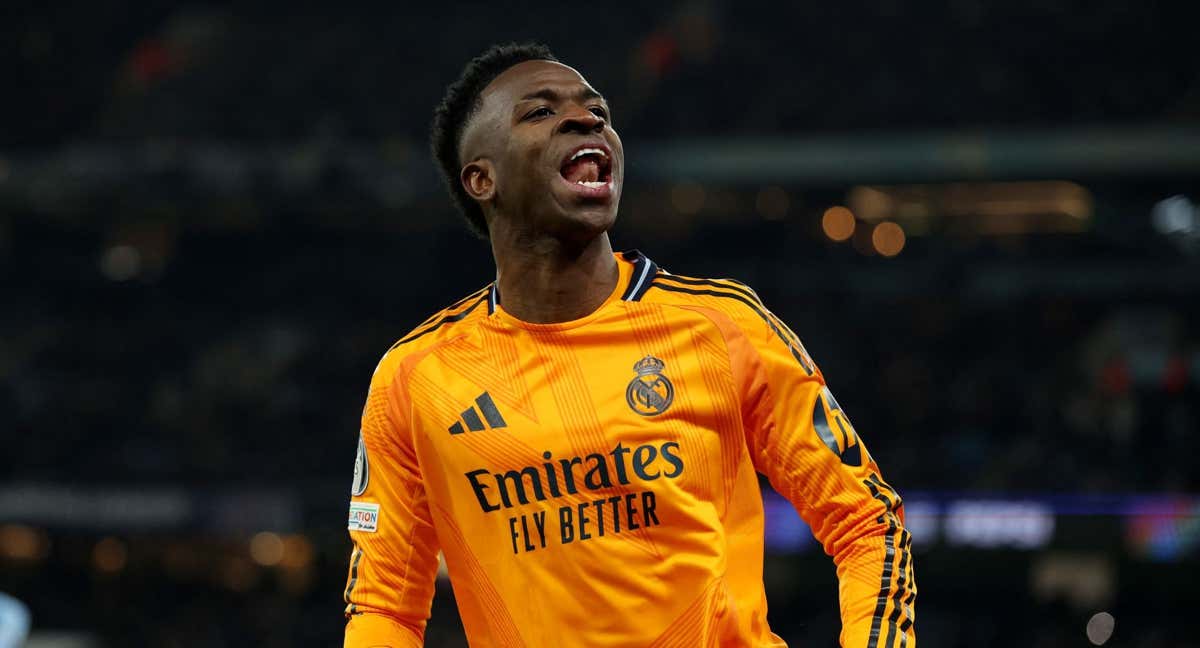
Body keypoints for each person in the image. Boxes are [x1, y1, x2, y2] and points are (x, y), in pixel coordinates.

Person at [342, 42, 915, 648]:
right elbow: (384, 609)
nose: (587, 120)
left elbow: (866, 521)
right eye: (539, 112)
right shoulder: (415, 377)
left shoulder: (724, 327)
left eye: (599, 112)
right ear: (482, 179)